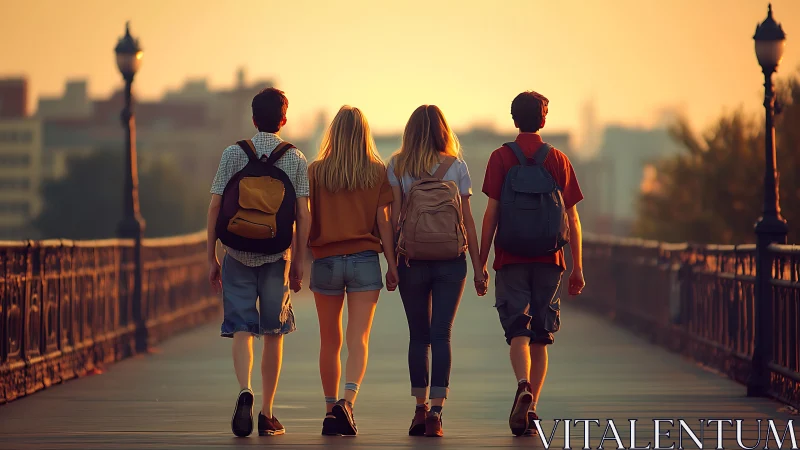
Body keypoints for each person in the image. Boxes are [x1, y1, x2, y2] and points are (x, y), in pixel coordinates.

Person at [478, 91, 585, 437]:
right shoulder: (558, 159)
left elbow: (491, 213)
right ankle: (533, 405)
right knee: (542, 334)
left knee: (518, 331)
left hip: (510, 258)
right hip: (549, 259)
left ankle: (522, 384)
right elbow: (573, 217)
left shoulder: (500, 158)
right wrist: (578, 266)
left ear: (513, 119)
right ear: (543, 120)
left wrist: (481, 262)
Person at [207, 87, 310, 438]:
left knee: (241, 327)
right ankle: (267, 413)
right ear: (283, 120)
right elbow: (302, 215)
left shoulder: (233, 154)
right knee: (273, 332)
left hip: (236, 253)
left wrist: (211, 256)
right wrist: (299, 262)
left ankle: (244, 389)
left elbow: (215, 207)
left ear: (253, 119)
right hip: (276, 255)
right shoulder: (296, 160)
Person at [388, 105, 485, 437]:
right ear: (443, 131)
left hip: (411, 259)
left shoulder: (398, 165)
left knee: (419, 336)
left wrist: (391, 264)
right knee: (441, 334)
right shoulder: (456, 166)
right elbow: (467, 221)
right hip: (451, 261)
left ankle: (419, 410)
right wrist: (478, 266)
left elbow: (395, 220)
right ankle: (437, 414)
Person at [307, 106, 399, 436]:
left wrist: (298, 262)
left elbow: (306, 219)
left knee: (329, 340)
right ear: (364, 135)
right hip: (364, 260)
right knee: (357, 338)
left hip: (326, 262)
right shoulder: (377, 171)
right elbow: (384, 223)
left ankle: (330, 410)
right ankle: (347, 402)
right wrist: (392, 264)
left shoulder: (315, 172)